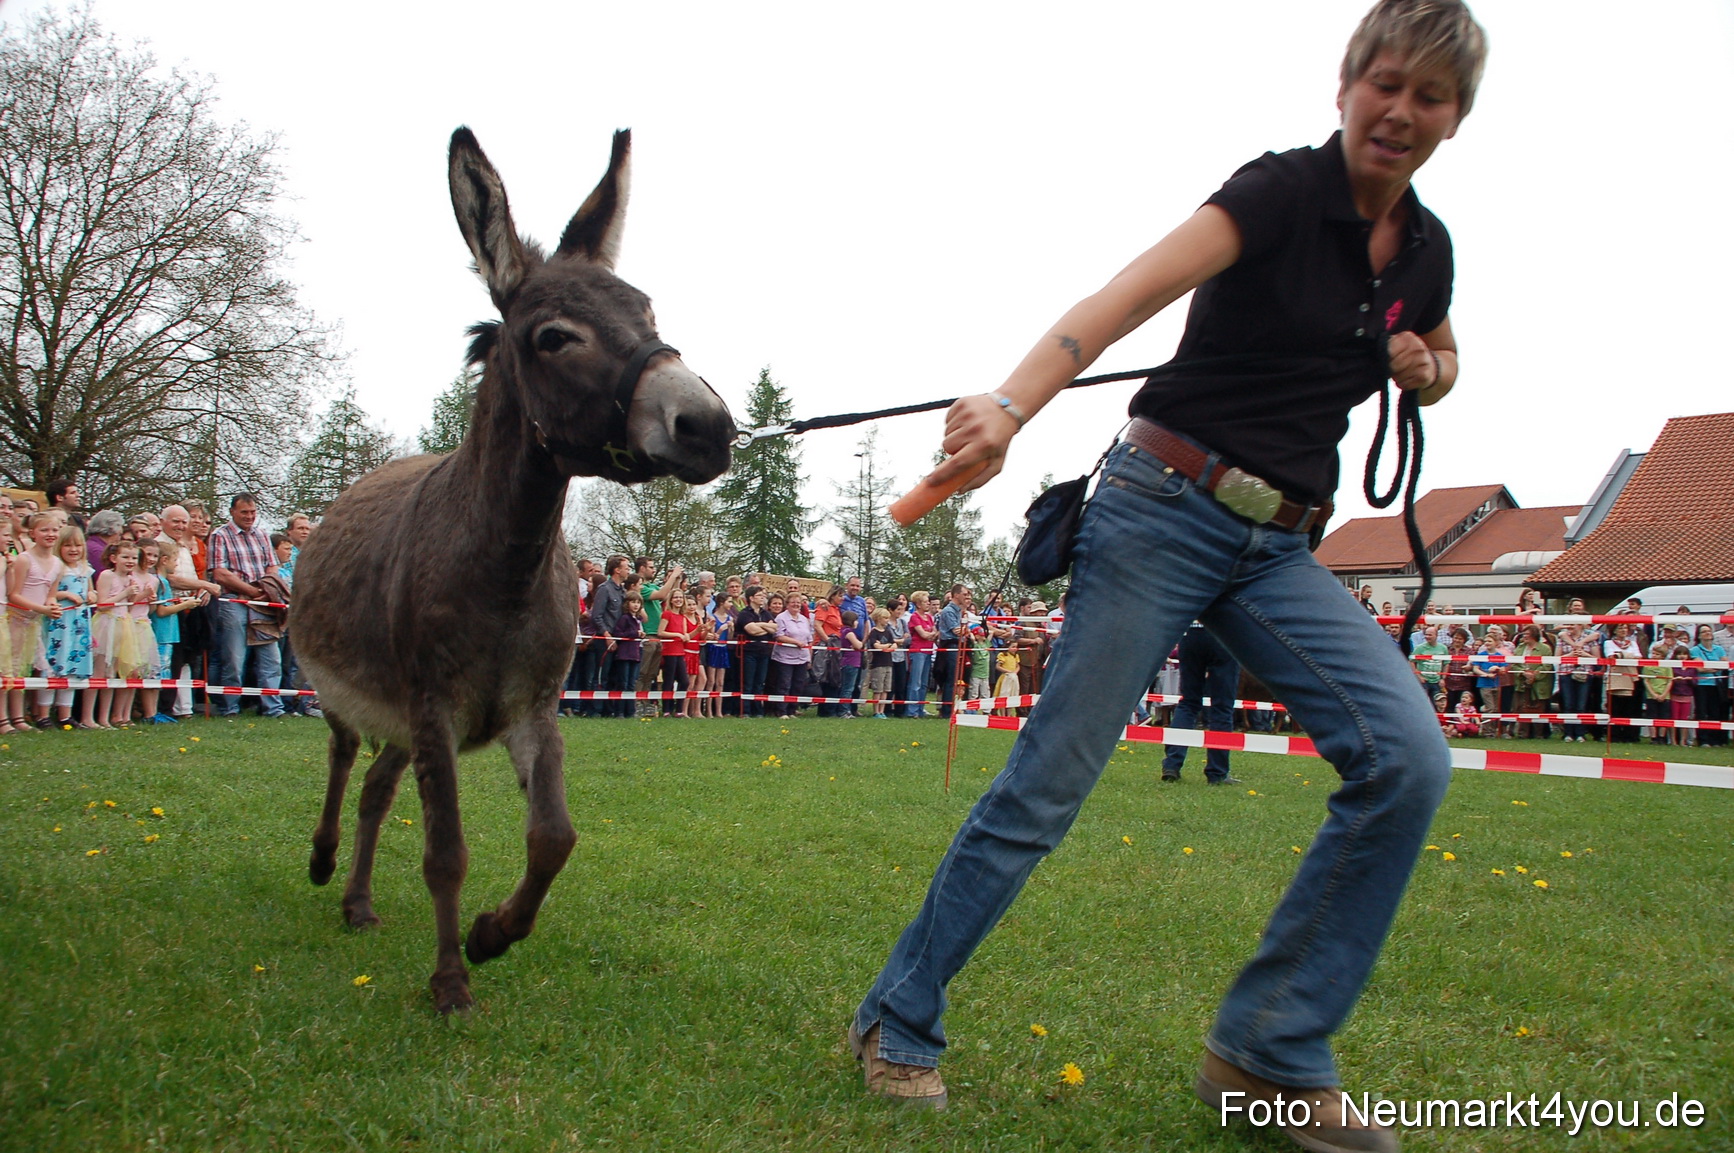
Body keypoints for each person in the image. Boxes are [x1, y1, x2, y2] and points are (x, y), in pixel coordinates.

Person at [850, 6, 1482, 1149]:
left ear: (1457, 116)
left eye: (1429, 95)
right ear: (1345, 87)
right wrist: (1009, 405)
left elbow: (1448, 351)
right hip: (1161, 508)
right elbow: (1124, 298)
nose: (1400, 110)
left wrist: (1425, 370)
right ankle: (898, 1016)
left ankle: (1267, 1052)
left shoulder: (1428, 250)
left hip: (1280, 548)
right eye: (1384, 83)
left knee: (1409, 758)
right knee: (1048, 785)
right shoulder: (1279, 193)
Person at [207, 493, 283, 718]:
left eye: (253, 512)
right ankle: (230, 707)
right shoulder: (220, 535)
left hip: (263, 603)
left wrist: (267, 589)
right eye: (244, 512)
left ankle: (273, 708)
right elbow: (220, 573)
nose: (249, 517)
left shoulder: (262, 535)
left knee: (271, 658)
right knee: (234, 658)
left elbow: (272, 566)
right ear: (232, 511)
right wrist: (251, 591)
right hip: (234, 601)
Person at [1161, 621, 1243, 785]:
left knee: (1188, 703)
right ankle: (1217, 772)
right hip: (1224, 635)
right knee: (1222, 707)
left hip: (1191, 634)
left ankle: (1171, 765)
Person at [8, 513, 67, 729]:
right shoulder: (25, 559)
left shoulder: (57, 563)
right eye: (44, 530)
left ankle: (19, 717)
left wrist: (52, 605)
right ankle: (7, 718)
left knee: (23, 670)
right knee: (10, 669)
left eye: (54, 530)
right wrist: (42, 608)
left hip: (34, 622)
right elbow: (14, 594)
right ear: (33, 533)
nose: (50, 534)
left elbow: (50, 593)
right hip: (15, 619)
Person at [40, 525, 96, 729]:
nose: (73, 550)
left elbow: (91, 590)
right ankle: (43, 714)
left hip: (79, 624)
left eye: (78, 545)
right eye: (68, 545)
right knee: (54, 664)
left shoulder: (85, 568)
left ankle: (65, 714)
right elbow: (47, 594)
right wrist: (65, 595)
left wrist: (92, 595)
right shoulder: (57, 568)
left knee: (73, 664)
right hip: (60, 623)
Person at [769, 592, 814, 717]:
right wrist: (795, 642)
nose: (796, 605)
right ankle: (781, 711)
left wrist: (809, 657)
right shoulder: (781, 618)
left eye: (798, 603)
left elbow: (809, 639)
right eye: (793, 602)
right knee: (784, 684)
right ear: (787, 604)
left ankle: (792, 710)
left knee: (798, 685)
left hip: (802, 658)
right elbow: (778, 636)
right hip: (784, 658)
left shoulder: (804, 619)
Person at [735, 586, 777, 717]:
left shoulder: (766, 613)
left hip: (763, 652)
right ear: (751, 598)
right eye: (759, 595)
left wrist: (759, 625)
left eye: (763, 595)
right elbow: (751, 630)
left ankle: (758, 711)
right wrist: (766, 626)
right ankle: (745, 711)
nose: (763, 597)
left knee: (759, 683)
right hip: (749, 652)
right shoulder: (744, 614)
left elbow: (775, 628)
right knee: (748, 683)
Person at [657, 589, 696, 718]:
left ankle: (679, 709)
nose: (678, 600)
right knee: (669, 680)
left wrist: (698, 630)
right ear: (671, 600)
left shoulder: (682, 617)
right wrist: (677, 635)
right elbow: (660, 632)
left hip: (680, 652)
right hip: (669, 652)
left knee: (684, 681)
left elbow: (686, 636)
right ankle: (667, 709)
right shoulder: (667, 614)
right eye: (676, 597)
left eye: (680, 597)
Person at [1602, 622, 1643, 743]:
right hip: (1615, 677)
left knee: (1629, 708)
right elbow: (1611, 657)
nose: (1623, 630)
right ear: (1614, 630)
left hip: (1630, 678)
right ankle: (1614, 735)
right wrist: (1628, 656)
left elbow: (1639, 658)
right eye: (1620, 627)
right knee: (1615, 708)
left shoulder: (1633, 643)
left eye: (1625, 627)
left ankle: (1629, 735)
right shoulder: (1608, 643)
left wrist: (1621, 655)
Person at [1689, 624, 1727, 747]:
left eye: (1709, 631)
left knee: (1715, 712)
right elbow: (1700, 669)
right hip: (1702, 685)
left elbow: (1725, 665)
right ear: (1699, 636)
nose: (1707, 633)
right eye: (1704, 631)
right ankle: (1703, 739)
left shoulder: (1719, 649)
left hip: (1716, 684)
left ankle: (1714, 739)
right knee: (1702, 711)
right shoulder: (1695, 650)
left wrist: (1709, 668)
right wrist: (1716, 667)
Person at [903, 592, 936, 718]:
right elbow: (923, 634)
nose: (928, 604)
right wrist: (930, 635)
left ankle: (921, 709)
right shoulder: (914, 617)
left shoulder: (930, 618)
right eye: (925, 602)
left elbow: (934, 633)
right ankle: (912, 710)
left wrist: (930, 635)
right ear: (918, 604)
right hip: (917, 651)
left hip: (928, 651)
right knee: (915, 682)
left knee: (924, 683)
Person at [866, 607, 896, 718]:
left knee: (885, 689)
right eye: (885, 618)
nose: (887, 620)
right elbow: (876, 646)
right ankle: (876, 712)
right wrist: (886, 646)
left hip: (888, 663)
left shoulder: (888, 632)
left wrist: (886, 646)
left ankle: (882, 711)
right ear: (879, 618)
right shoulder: (874, 632)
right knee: (878, 689)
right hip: (878, 664)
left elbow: (894, 645)